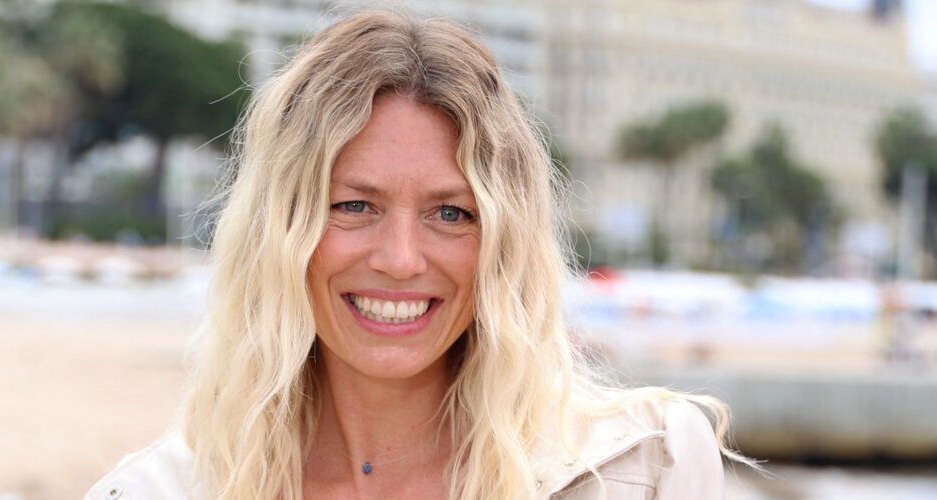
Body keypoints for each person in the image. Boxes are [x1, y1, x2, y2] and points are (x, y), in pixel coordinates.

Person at [85, 9, 753, 500]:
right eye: (354, 205)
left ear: (504, 243)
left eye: (450, 213)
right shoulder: (153, 492)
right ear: (278, 229)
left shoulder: (647, 467)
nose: (401, 259)